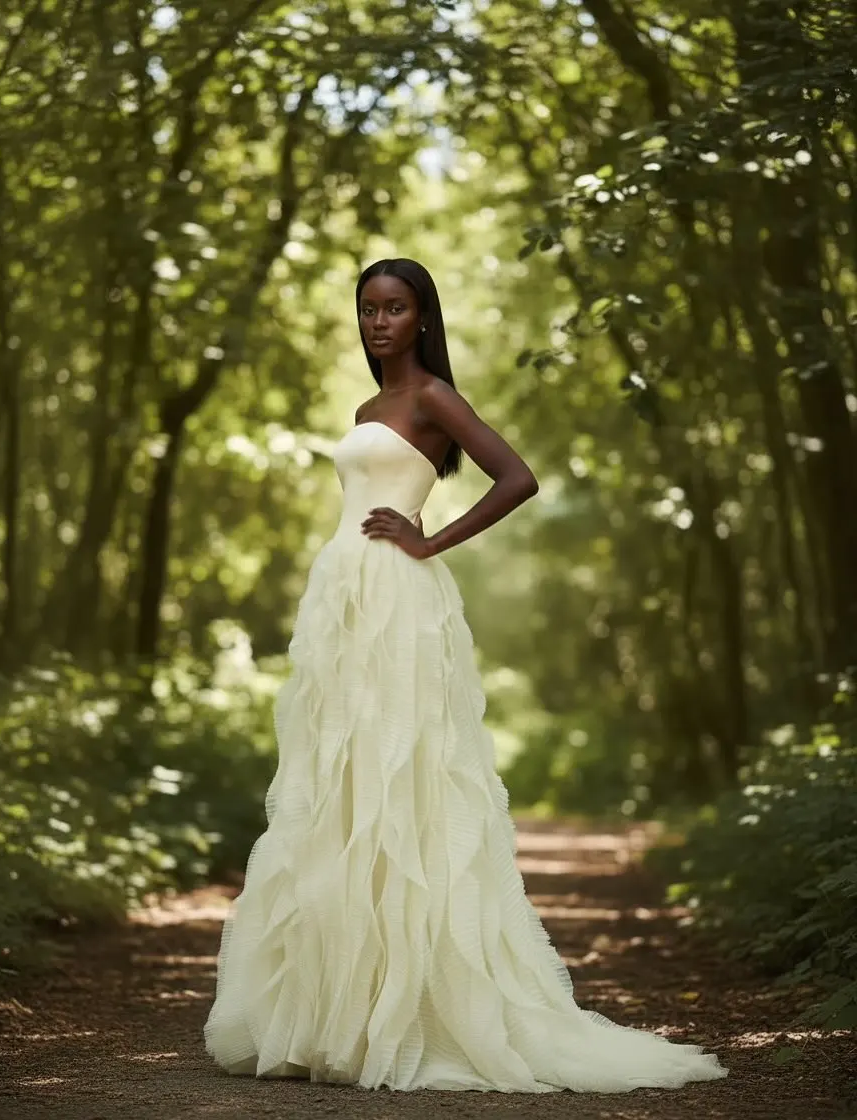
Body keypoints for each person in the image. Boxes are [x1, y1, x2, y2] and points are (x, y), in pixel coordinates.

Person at [203, 258, 729, 1093]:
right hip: (342, 595)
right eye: (370, 308)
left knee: (399, 772)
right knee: (337, 777)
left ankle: (415, 1010)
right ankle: (338, 1009)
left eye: (396, 308)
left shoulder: (432, 398)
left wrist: (428, 541)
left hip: (398, 599)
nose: (380, 322)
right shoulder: (368, 408)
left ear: (421, 318)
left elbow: (517, 478)